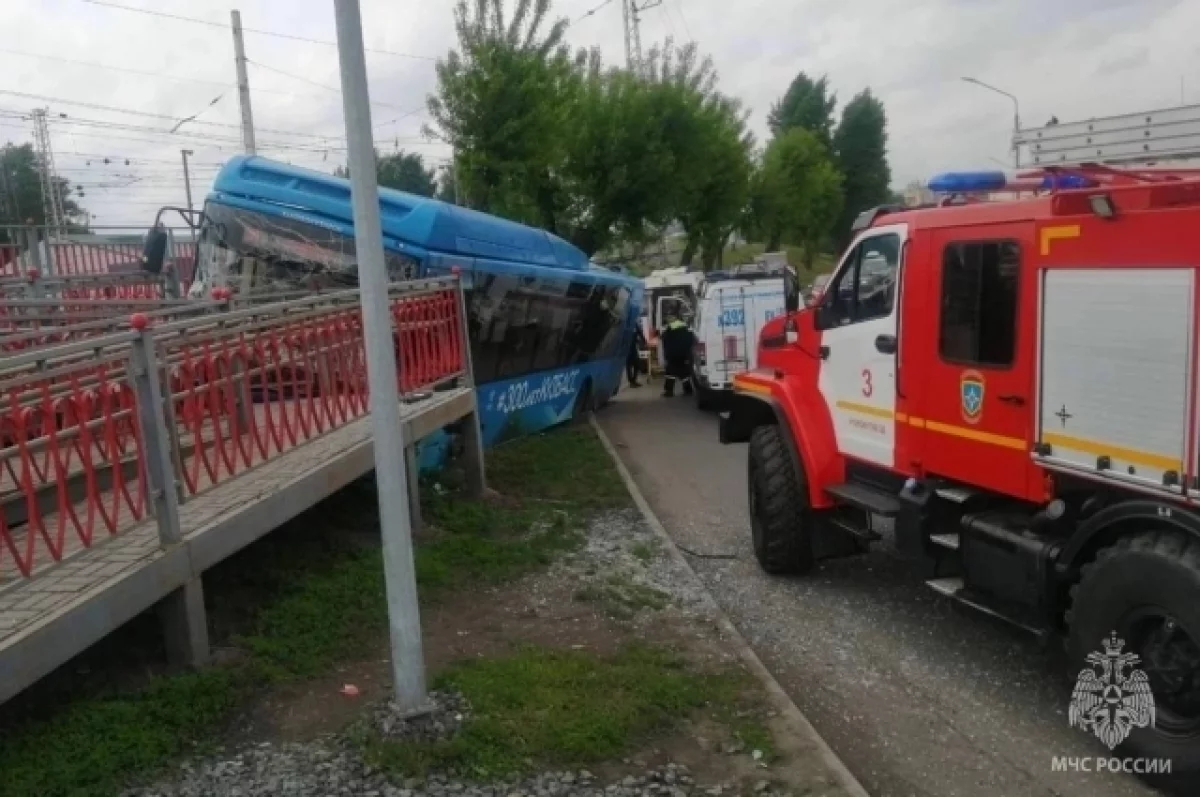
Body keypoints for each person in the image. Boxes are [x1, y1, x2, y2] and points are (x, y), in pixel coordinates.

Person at [659, 312, 695, 398]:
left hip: (673, 354)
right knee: (684, 372)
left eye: (668, 318)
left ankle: (669, 391)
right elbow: (690, 339)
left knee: (670, 372)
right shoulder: (685, 326)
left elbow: (664, 338)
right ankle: (688, 389)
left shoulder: (670, 328)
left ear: (671, 319)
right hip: (683, 354)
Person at [626, 323, 648, 387]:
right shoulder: (625, 324)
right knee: (629, 366)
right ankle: (631, 382)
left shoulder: (635, 324)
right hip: (626, 349)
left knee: (636, 365)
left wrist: (644, 341)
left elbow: (640, 333)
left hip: (633, 348)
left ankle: (633, 381)